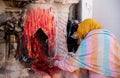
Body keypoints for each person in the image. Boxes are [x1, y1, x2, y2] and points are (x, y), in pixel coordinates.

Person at [50, 18, 120, 78]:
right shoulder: (111, 36)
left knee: (71, 70)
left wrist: (55, 63)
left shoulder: (90, 40)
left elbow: (71, 66)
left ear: (83, 30)